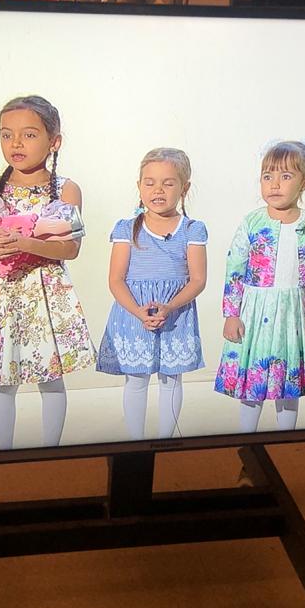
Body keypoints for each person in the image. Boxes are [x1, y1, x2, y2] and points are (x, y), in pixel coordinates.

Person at [0, 95, 96, 449]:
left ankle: (50, 451)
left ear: (54, 141)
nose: (16, 143)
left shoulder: (65, 190)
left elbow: (70, 248)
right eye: (6, 134)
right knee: (3, 379)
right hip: (1, 294)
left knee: (51, 377)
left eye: (29, 135)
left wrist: (25, 243)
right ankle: (4, 452)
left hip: (46, 294)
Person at [214, 139, 305, 432]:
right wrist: (231, 314)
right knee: (252, 382)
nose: (275, 184)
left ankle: (285, 438)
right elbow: (234, 269)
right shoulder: (252, 222)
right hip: (255, 311)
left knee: (288, 381)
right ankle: (247, 439)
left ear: (304, 182)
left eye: (286, 176)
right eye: (268, 176)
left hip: (293, 313)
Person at [97, 148, 207, 439]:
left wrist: (170, 306)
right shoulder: (127, 229)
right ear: (139, 186)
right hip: (134, 313)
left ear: (184, 188)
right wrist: (138, 311)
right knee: (136, 379)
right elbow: (116, 279)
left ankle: (165, 439)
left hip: (175, 314)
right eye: (150, 182)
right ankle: (136, 440)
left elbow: (198, 280)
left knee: (171, 378)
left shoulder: (192, 230)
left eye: (168, 183)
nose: (158, 190)